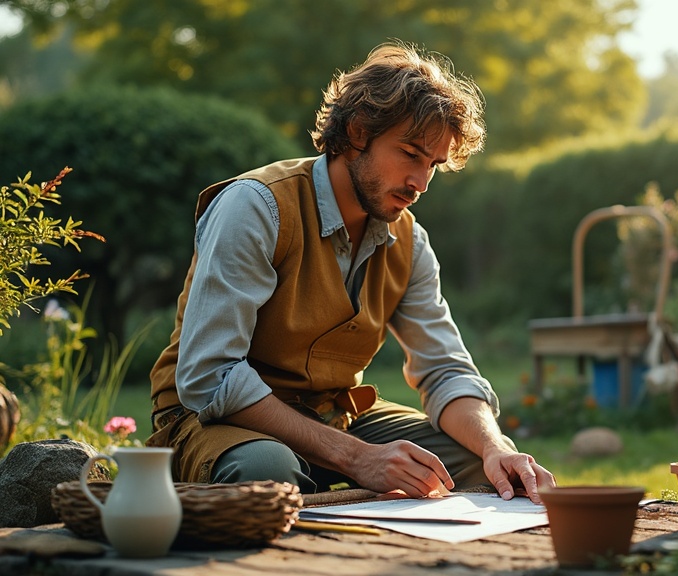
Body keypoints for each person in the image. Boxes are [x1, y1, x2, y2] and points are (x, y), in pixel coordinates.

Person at [147, 41, 555, 503]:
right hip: (221, 422)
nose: (420, 184)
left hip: (335, 418)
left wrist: (494, 445)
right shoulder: (257, 206)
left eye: (433, 165)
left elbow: (444, 370)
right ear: (358, 132)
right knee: (267, 474)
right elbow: (210, 375)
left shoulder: (410, 242)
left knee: (474, 465)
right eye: (409, 154)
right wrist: (358, 458)